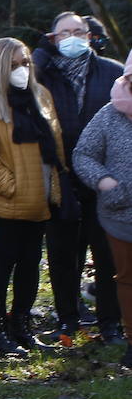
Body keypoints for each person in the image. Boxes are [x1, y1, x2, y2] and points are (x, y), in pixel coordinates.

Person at [0, 37, 64, 355]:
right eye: (14, 65)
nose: (22, 69)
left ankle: (21, 326)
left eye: (25, 63)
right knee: (4, 262)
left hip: (40, 198)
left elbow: (55, 144)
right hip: (7, 200)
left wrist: (54, 186)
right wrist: (14, 188)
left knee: (31, 262)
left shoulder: (41, 97)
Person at [34, 11, 125, 343]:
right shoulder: (43, 73)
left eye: (79, 31)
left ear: (90, 36)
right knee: (62, 254)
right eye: (64, 32)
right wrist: (42, 54)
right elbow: (19, 80)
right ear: (53, 38)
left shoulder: (113, 73)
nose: (73, 37)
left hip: (106, 180)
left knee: (107, 254)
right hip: (60, 178)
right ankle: (67, 318)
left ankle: (109, 323)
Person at [72, 67, 132, 367]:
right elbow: (83, 154)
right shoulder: (110, 113)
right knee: (127, 278)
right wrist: (105, 182)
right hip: (120, 214)